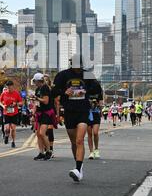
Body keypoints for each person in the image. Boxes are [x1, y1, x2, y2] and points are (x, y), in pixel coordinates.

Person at [52, 54, 103, 182]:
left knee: (80, 140)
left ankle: (78, 168)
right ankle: (78, 166)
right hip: (69, 111)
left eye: (79, 66)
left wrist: (86, 90)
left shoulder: (87, 74)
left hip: (83, 110)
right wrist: (64, 92)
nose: (77, 68)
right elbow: (53, 92)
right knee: (74, 142)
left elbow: (97, 88)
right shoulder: (63, 75)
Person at [32, 73, 55, 161]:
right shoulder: (38, 89)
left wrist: (37, 98)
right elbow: (38, 102)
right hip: (40, 112)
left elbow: (45, 101)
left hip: (46, 113)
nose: (34, 82)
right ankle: (41, 152)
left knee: (42, 133)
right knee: (38, 134)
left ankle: (48, 151)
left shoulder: (45, 88)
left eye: (35, 81)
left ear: (38, 80)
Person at [0, 81, 23, 148]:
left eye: (10, 86)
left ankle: (13, 141)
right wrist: (3, 106)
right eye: (7, 86)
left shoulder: (16, 93)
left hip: (14, 113)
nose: (8, 88)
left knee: (13, 128)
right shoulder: (4, 93)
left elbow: (21, 103)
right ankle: (6, 136)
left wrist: (16, 104)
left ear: (12, 86)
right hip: (6, 113)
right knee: (7, 129)